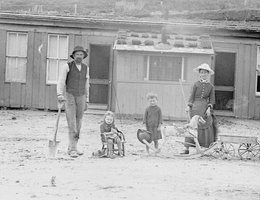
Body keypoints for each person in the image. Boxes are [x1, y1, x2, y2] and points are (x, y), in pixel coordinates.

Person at [57, 46, 89, 158]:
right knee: (72, 123)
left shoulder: (86, 68)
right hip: (70, 96)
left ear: (83, 56)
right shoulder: (67, 66)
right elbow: (61, 81)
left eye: (81, 54)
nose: (79, 56)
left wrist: (87, 99)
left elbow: (86, 84)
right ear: (73, 56)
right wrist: (60, 94)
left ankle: (73, 146)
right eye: (77, 54)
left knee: (79, 123)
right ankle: (73, 149)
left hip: (81, 96)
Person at [181, 63, 217, 154]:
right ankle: (186, 148)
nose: (203, 74)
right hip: (194, 108)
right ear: (199, 73)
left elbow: (212, 100)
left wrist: (209, 108)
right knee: (191, 126)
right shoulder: (195, 84)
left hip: (205, 108)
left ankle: (202, 147)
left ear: (208, 74)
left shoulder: (211, 87)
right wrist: (188, 106)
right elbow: (191, 97)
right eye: (201, 72)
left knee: (206, 124)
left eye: (205, 72)